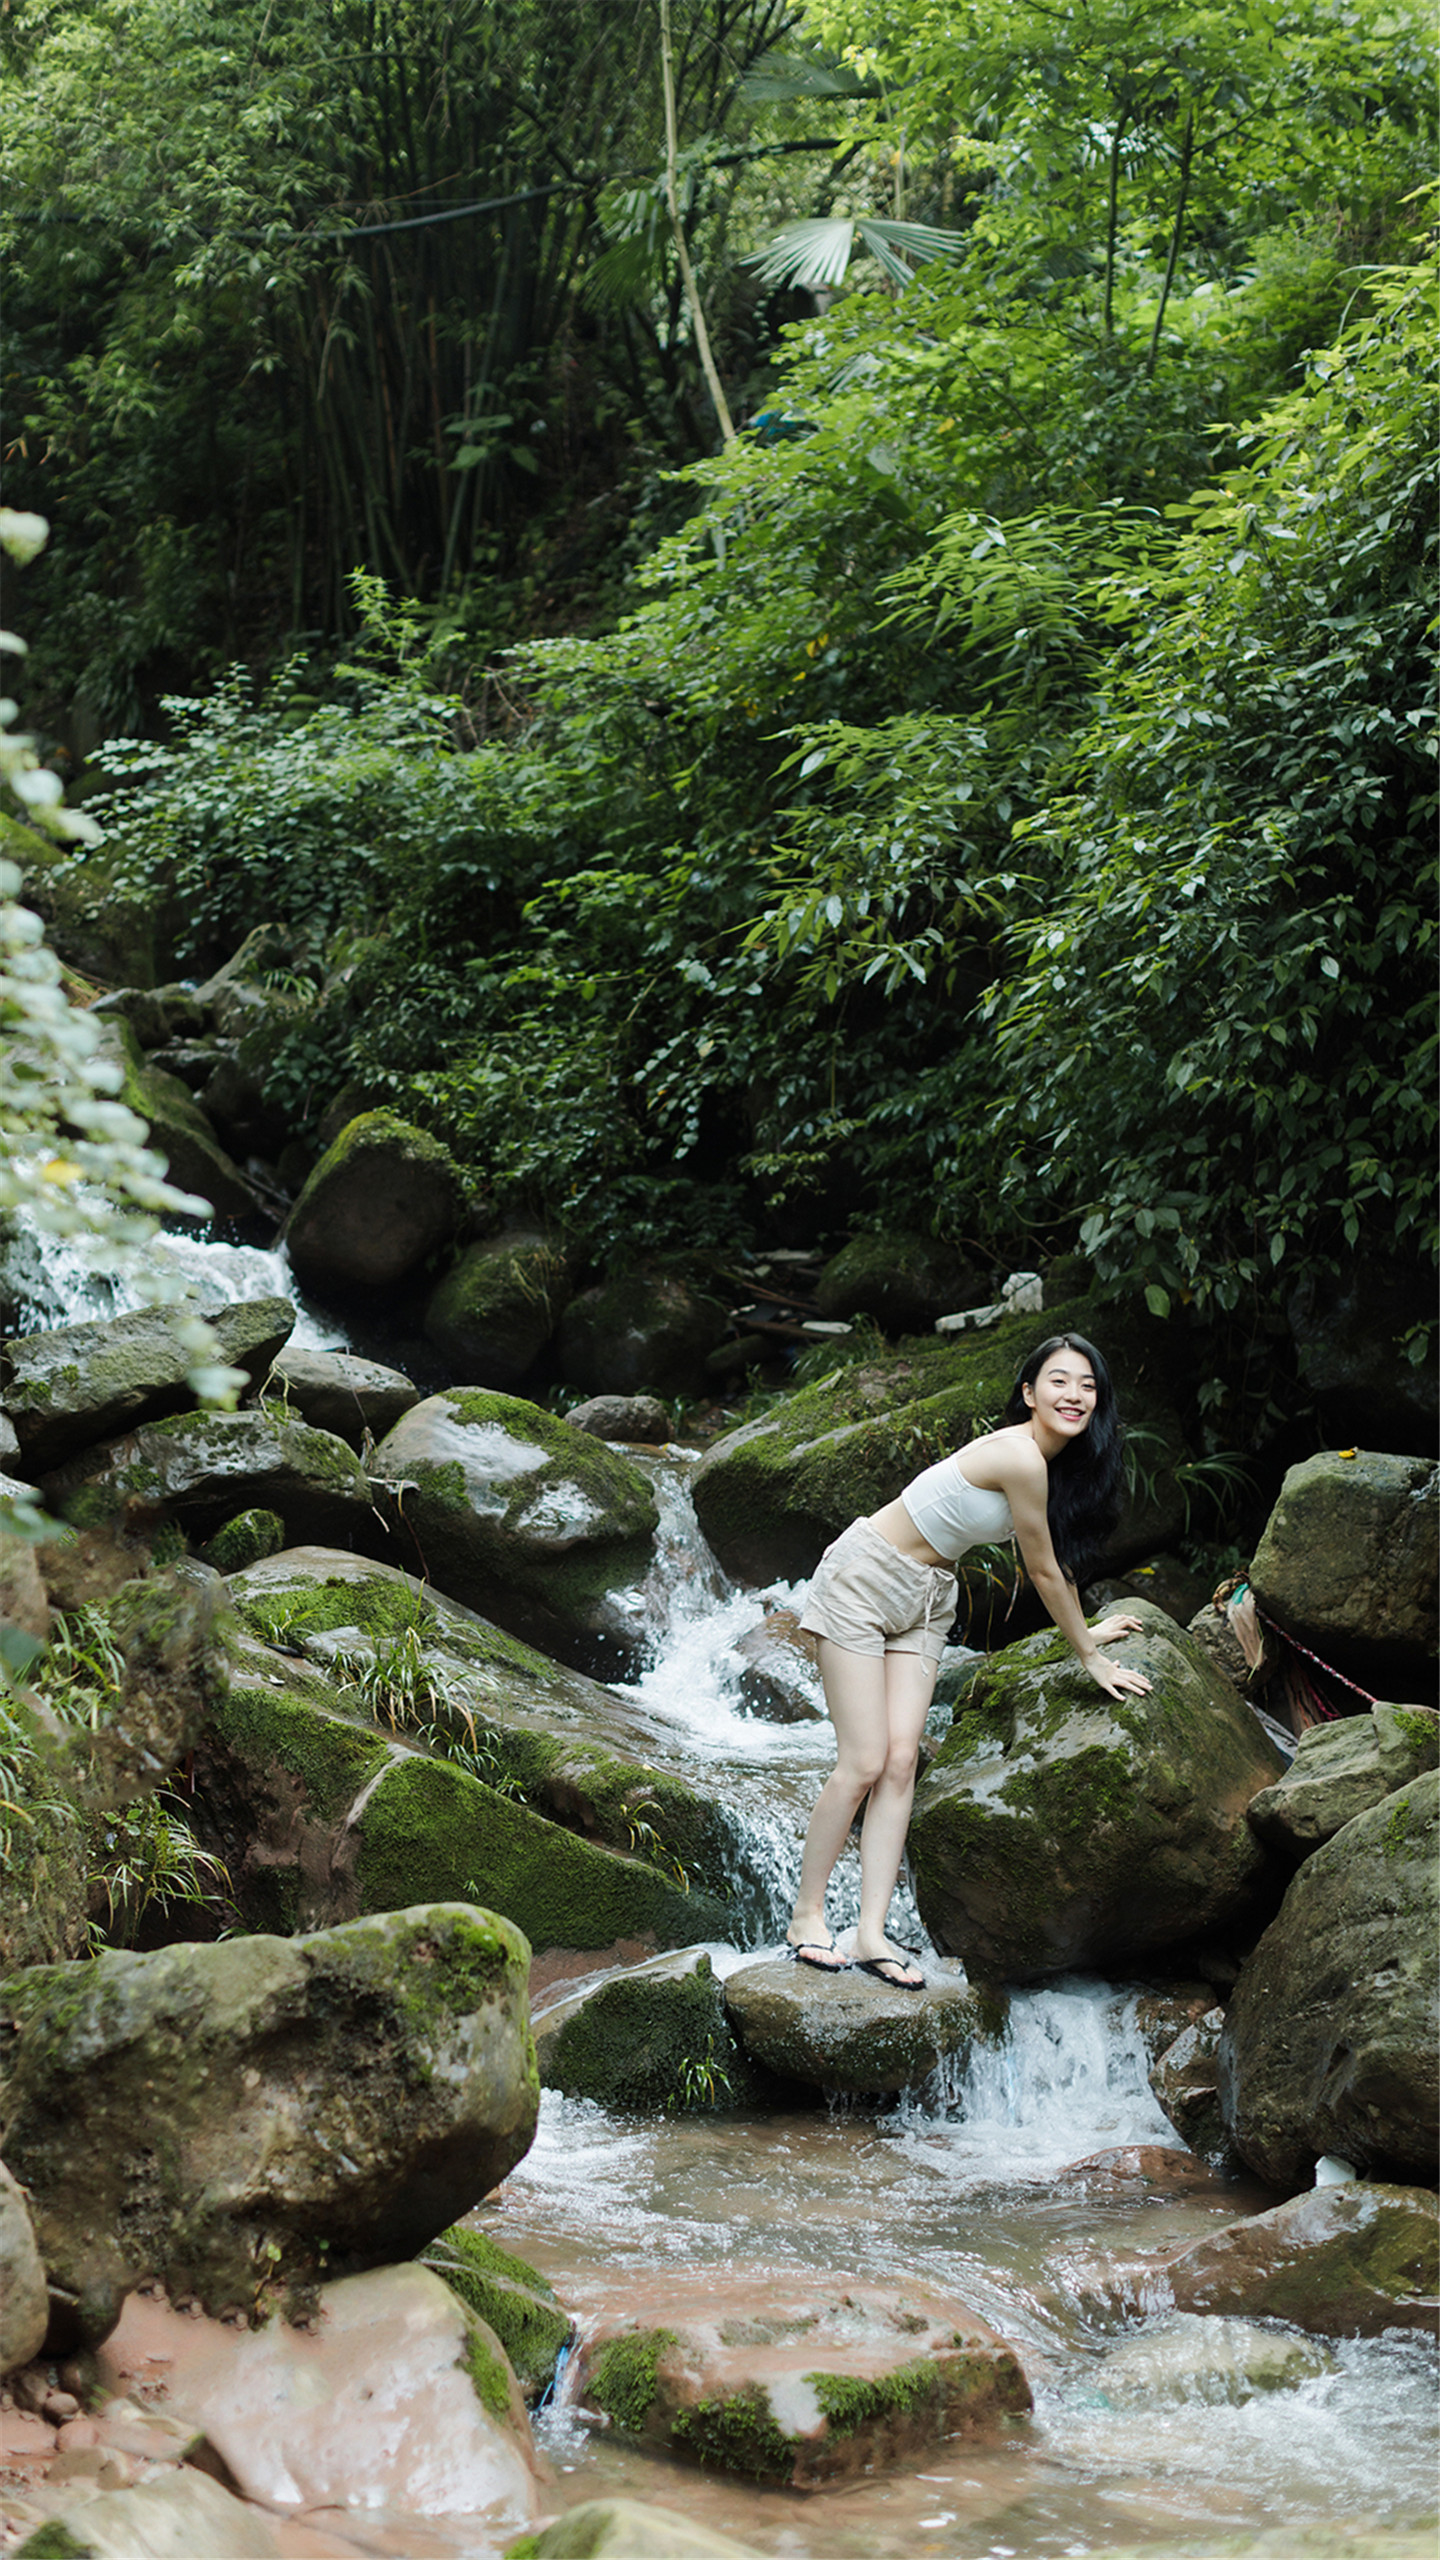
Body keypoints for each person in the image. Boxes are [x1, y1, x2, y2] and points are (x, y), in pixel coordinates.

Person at [784, 1333, 1154, 1989]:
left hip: (929, 1598)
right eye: (1059, 1381)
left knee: (902, 1762)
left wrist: (1089, 1628)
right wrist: (1089, 1654)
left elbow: (1055, 1562)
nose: (1074, 1395)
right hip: (865, 1579)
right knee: (864, 1759)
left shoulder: (1049, 1466)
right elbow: (1039, 1569)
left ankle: (870, 1933)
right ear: (1029, 1393)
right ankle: (807, 1916)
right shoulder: (1018, 1454)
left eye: (1088, 1385)